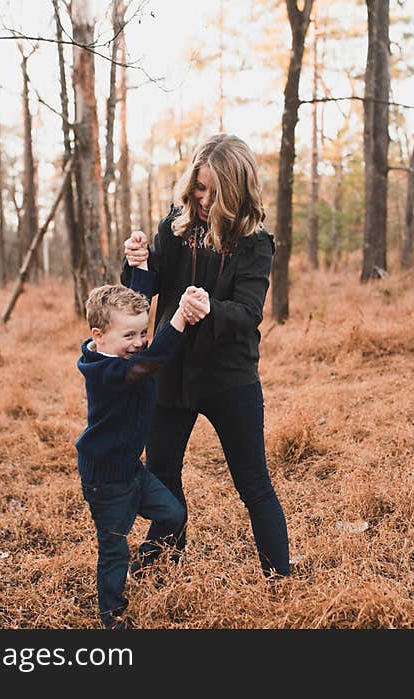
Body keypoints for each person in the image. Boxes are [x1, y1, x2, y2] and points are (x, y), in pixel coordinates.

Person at [121, 133, 291, 578]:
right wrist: (137, 263)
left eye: (215, 192)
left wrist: (210, 308)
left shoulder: (255, 242)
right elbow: (144, 291)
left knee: (253, 485)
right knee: (161, 474)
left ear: (237, 191)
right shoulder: (176, 225)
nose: (203, 199)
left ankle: (281, 579)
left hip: (228, 377)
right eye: (199, 188)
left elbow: (248, 313)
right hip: (170, 369)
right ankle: (166, 560)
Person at [75, 268, 201, 629]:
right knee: (113, 547)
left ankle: (143, 564)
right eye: (128, 336)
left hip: (132, 470)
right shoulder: (108, 373)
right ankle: (111, 617)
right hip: (106, 479)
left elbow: (134, 305)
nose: (138, 341)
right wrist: (178, 318)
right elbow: (152, 363)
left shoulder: (119, 352)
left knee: (173, 515)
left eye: (143, 333)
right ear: (97, 337)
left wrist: (141, 267)